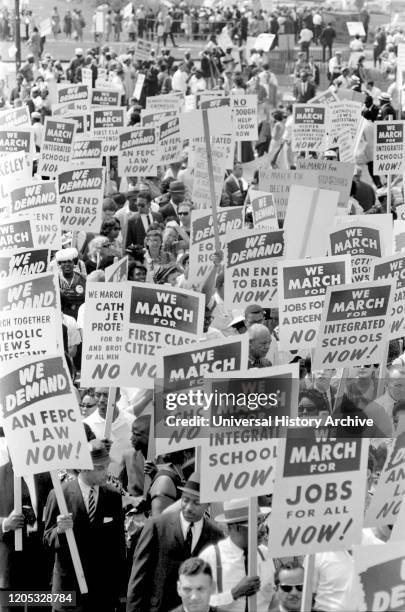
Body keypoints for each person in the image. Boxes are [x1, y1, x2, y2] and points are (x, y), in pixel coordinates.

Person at [43, 440, 126, 612]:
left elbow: (118, 546)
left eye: (107, 466)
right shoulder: (59, 494)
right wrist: (59, 530)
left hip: (102, 593)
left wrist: (119, 589)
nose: (106, 472)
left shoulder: (113, 496)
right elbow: (46, 539)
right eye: (100, 468)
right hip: (69, 589)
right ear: (83, 468)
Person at [126, 473, 223, 612]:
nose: (189, 507)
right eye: (185, 500)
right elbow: (138, 580)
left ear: (208, 504)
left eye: (196, 502)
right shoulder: (157, 527)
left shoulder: (215, 536)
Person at [199, 498, 275, 612]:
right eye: (256, 523)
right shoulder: (211, 556)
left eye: (262, 521)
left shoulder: (264, 553)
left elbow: (273, 597)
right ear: (236, 527)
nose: (263, 529)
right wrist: (234, 593)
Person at [84, 388, 134, 477]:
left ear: (118, 397)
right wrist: (96, 451)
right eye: (98, 395)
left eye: (106, 395)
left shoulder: (131, 422)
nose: (101, 400)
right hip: (97, 486)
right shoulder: (86, 426)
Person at [55, 248, 86, 320]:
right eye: (64, 262)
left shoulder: (82, 278)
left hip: (79, 317)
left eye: (69, 261)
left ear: (74, 263)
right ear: (60, 264)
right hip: (62, 318)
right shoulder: (55, 280)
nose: (67, 264)